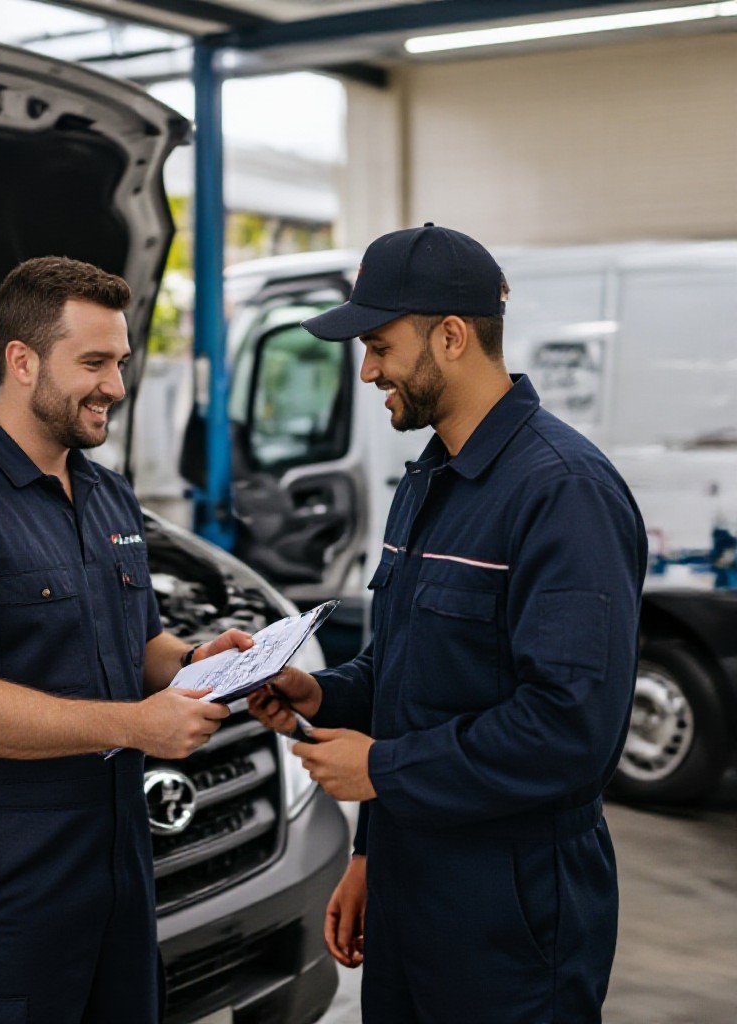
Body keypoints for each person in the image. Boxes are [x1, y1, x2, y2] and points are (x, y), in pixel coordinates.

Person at [249, 224, 647, 1023]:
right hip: (408, 895)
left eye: (380, 345)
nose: (366, 370)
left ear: (453, 337)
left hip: (510, 918)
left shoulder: (562, 494)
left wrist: (383, 772)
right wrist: (319, 696)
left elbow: (570, 732)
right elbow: (408, 676)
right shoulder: (430, 480)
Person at [0, 256, 252, 1024]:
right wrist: (135, 725)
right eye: (94, 362)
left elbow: (134, 639)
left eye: (119, 362)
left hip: (119, 859)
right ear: (21, 361)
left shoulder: (106, 491)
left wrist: (190, 663)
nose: (114, 384)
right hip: (5, 876)